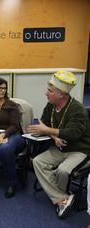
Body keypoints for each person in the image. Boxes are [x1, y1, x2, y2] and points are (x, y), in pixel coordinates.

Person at [28, 70, 90, 219]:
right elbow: (44, 123)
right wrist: (53, 136)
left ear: (61, 94)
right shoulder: (51, 105)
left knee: (62, 171)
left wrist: (48, 131)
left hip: (80, 150)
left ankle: (60, 198)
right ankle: (62, 198)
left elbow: (72, 135)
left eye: (50, 90)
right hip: (59, 148)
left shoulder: (77, 110)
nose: (46, 93)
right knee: (38, 161)